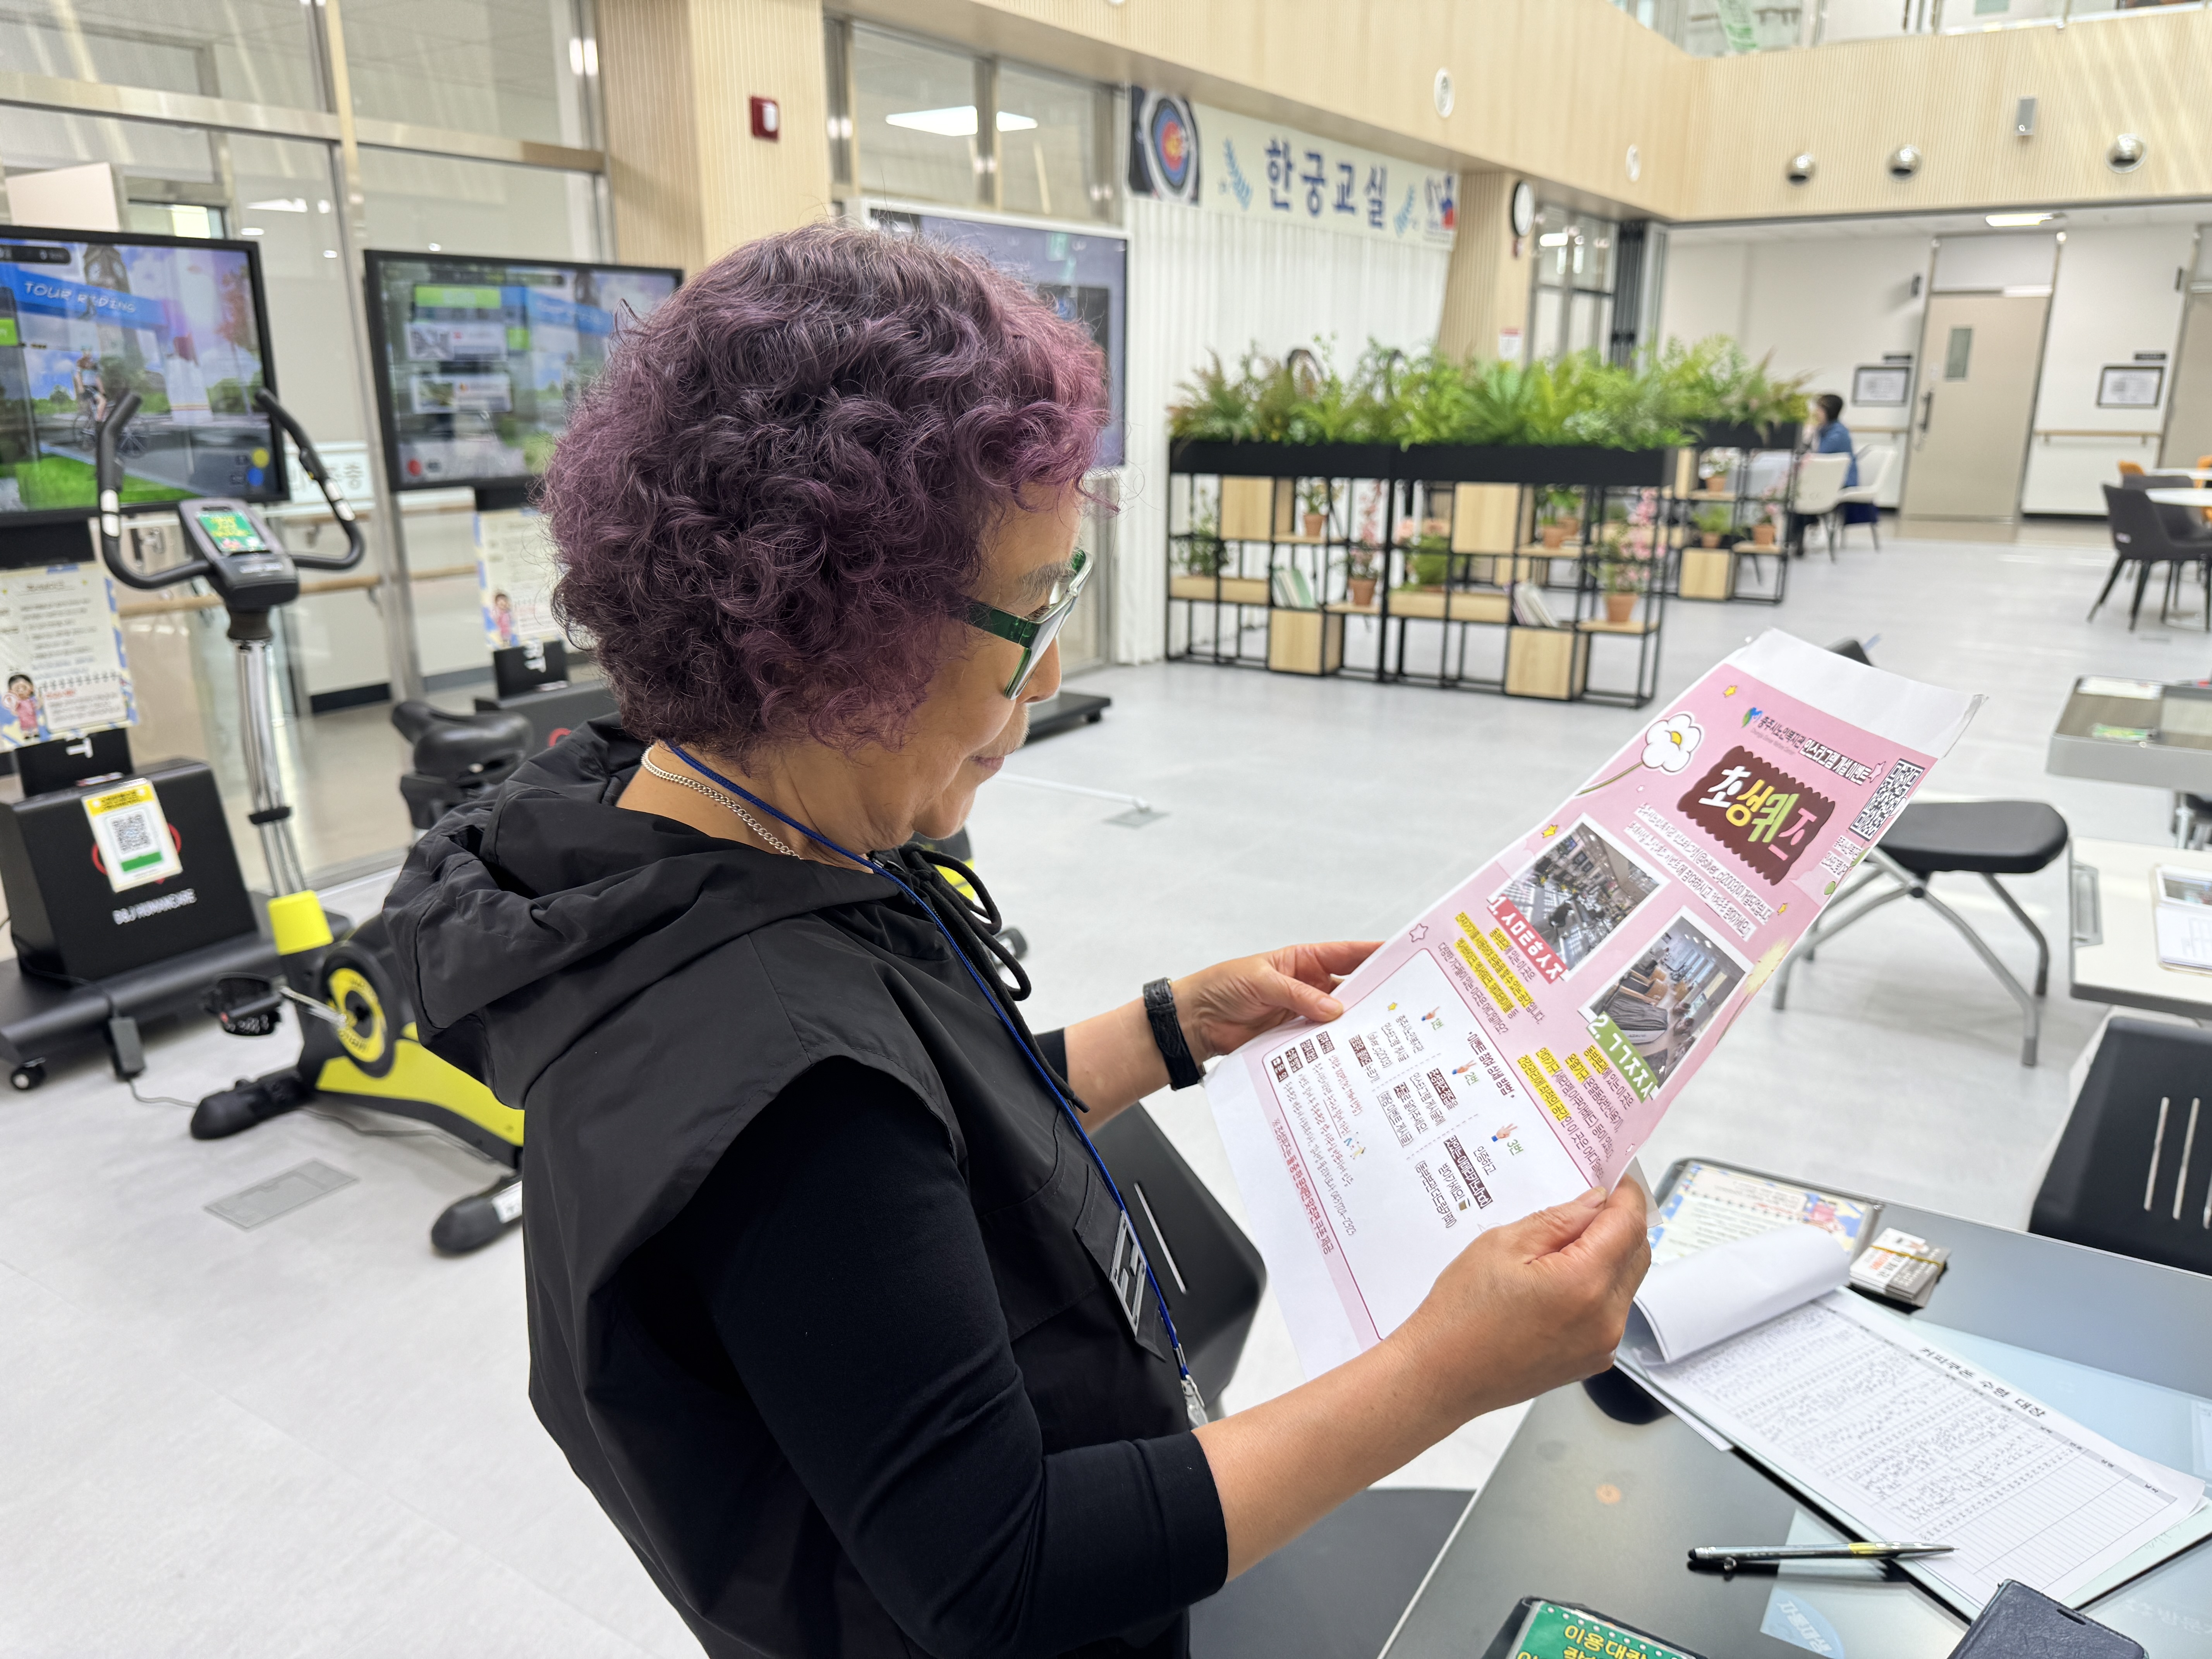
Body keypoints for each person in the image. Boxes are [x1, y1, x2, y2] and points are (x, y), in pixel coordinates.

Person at [384, 225, 1650, 1659]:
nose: (1046, 677)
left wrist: (1168, 1027)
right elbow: (1005, 1570)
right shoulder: (770, 1079)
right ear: (841, 631)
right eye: (1030, 615)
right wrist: (1448, 1369)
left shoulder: (672, 828)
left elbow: (912, 1150)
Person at [1787, 392, 1857, 556]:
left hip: (1840, 482)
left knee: (1801, 494)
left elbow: (1817, 455)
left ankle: (1798, 536)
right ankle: (1798, 536)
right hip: (1823, 479)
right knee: (1798, 491)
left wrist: (1811, 433)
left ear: (1829, 411)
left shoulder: (1838, 434)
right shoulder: (1825, 429)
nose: (1815, 413)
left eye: (1819, 409)